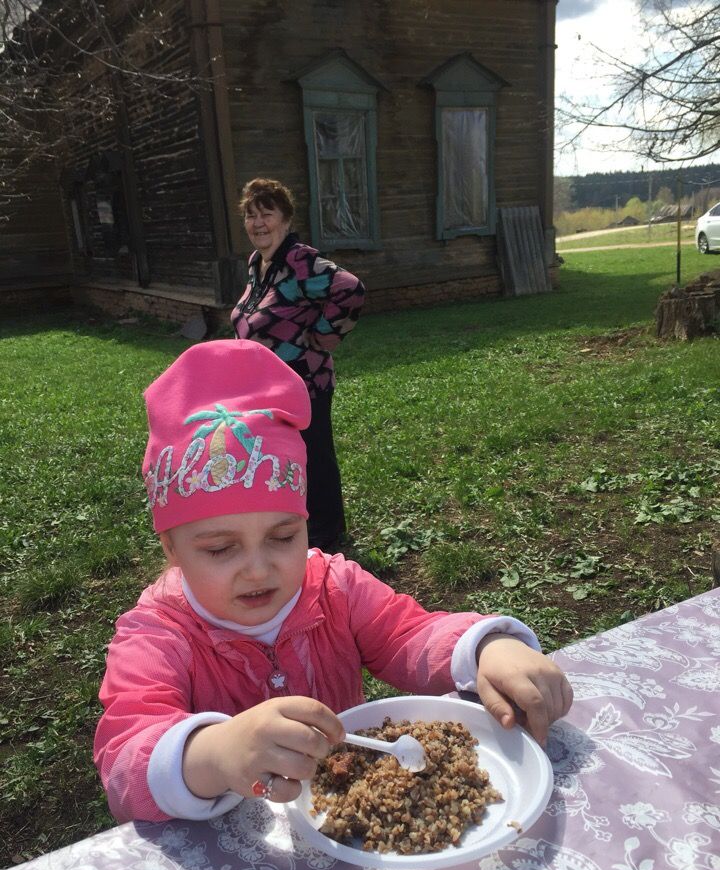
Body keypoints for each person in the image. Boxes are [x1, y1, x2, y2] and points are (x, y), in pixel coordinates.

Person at [93, 340, 573, 824]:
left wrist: (485, 648)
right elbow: (124, 761)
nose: (259, 569)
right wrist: (214, 753)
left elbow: (406, 634)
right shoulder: (156, 635)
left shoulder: (334, 587)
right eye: (220, 549)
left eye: (284, 536)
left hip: (352, 820)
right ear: (171, 549)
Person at [230, 177, 364, 554]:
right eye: (250, 216)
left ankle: (327, 536)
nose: (258, 223)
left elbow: (350, 289)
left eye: (266, 214)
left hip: (304, 381)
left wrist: (324, 334)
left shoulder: (299, 260)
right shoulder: (259, 263)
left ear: (285, 219)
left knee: (314, 456)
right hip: (267, 388)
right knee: (287, 458)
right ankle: (300, 524)